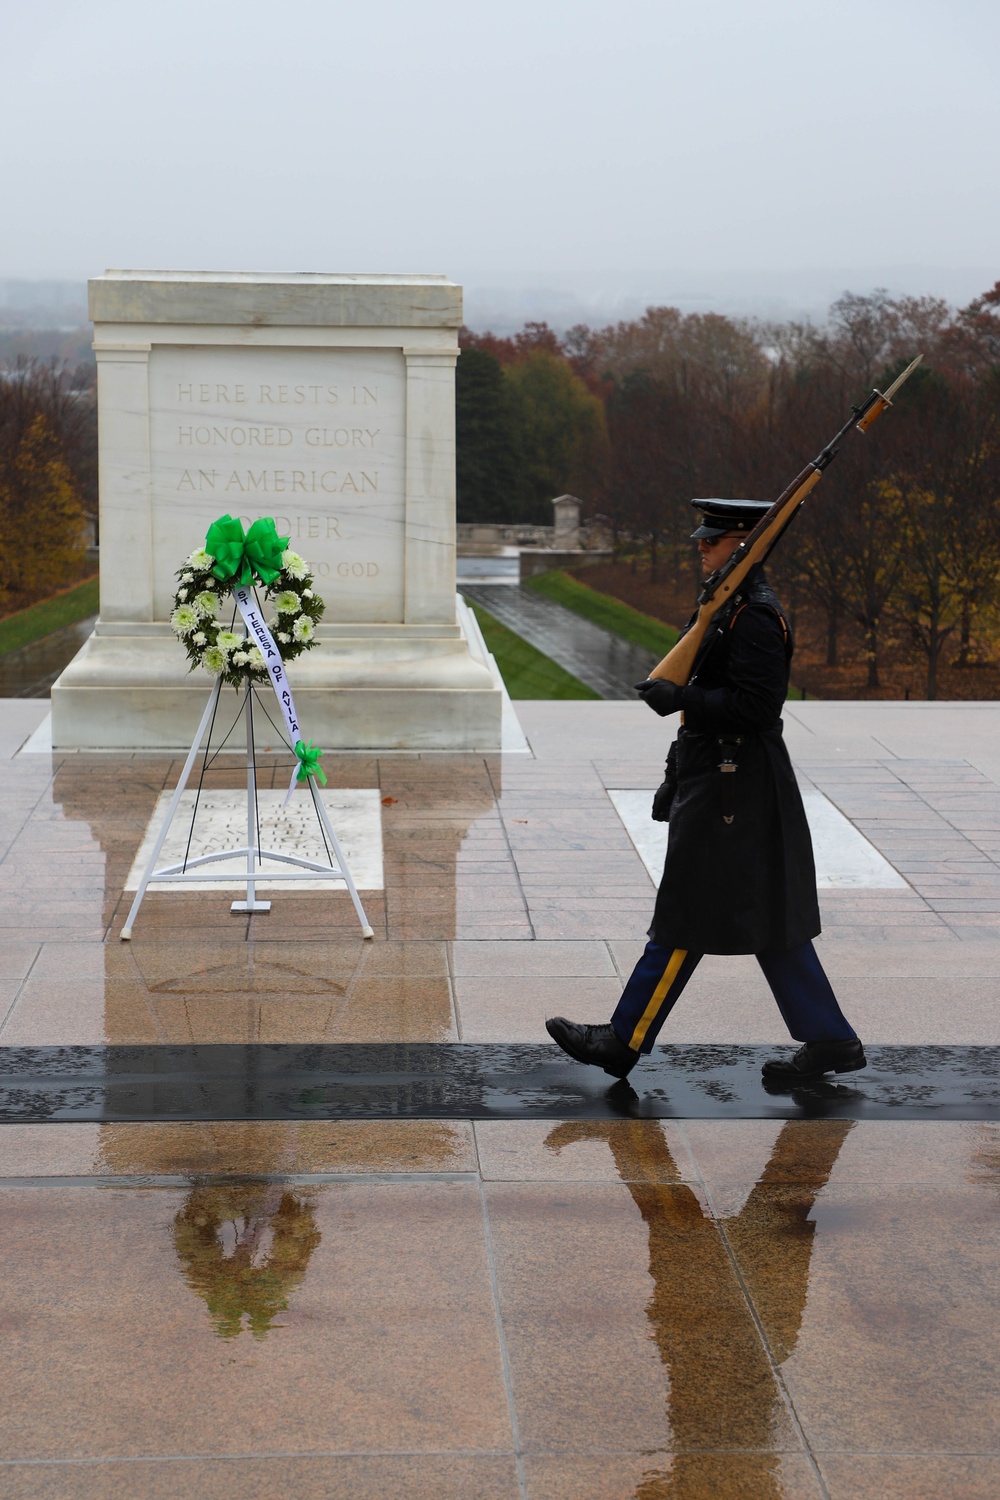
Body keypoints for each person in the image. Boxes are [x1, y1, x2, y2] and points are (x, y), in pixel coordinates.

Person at [546, 497, 866, 1084]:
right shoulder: (728, 608)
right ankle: (830, 1039)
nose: (701, 547)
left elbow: (758, 705)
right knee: (765, 918)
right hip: (722, 777)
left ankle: (623, 1040)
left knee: (685, 913)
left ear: (746, 546)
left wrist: (683, 700)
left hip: (737, 785)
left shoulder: (756, 618)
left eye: (713, 541)